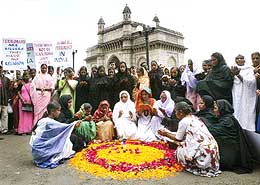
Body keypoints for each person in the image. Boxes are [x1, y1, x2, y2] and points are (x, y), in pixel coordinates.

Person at [158, 101, 221, 177]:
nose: (175, 114)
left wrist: (166, 134)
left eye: (176, 112)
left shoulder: (183, 121)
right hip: (213, 150)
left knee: (179, 151)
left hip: (203, 155)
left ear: (181, 112)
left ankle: (194, 164)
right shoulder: (195, 118)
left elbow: (178, 138)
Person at [30, 101, 82, 168]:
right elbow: (64, 127)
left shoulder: (42, 120)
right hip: (42, 153)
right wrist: (74, 124)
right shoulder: (50, 122)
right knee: (67, 144)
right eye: (58, 110)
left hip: (36, 152)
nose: (59, 112)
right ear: (52, 111)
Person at [211, 99, 253, 173]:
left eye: (215, 108)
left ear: (222, 109)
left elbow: (215, 130)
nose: (213, 110)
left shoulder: (227, 120)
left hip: (231, 153)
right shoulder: (226, 118)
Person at [231, 54, 257, 131]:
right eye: (237, 58)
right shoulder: (231, 69)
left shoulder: (249, 69)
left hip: (247, 98)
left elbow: (251, 82)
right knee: (237, 114)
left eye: (241, 58)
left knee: (247, 116)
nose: (239, 60)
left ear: (244, 60)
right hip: (236, 97)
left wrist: (238, 75)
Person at [0, 65, 11, 134]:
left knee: (5, 115)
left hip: (5, 100)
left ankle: (4, 129)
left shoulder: (6, 79)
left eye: (1, 69)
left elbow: (9, 89)